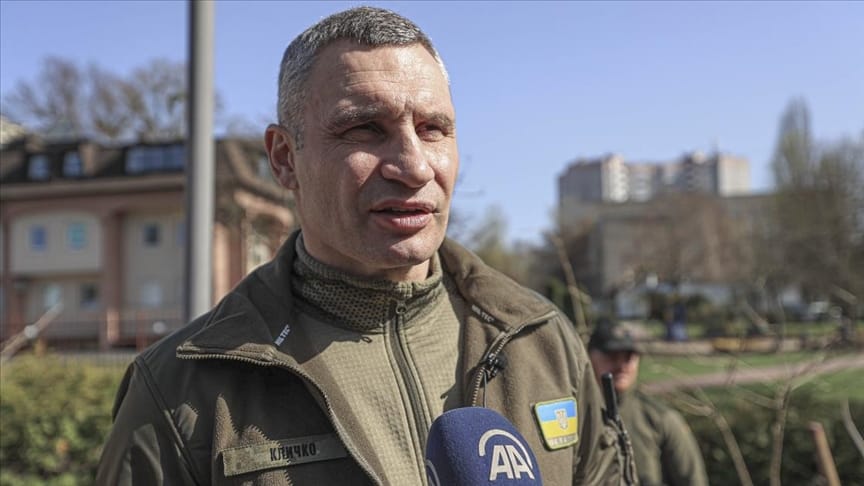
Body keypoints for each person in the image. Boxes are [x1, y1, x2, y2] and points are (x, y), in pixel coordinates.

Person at [97, 7, 630, 485]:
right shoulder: (179, 390)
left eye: (433, 128)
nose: (415, 166)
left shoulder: (540, 339)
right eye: (365, 129)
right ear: (284, 158)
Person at [588, 320, 709, 486]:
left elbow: (692, 480)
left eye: (628, 357)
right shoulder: (576, 417)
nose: (621, 365)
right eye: (612, 356)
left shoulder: (659, 418)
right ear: (589, 357)